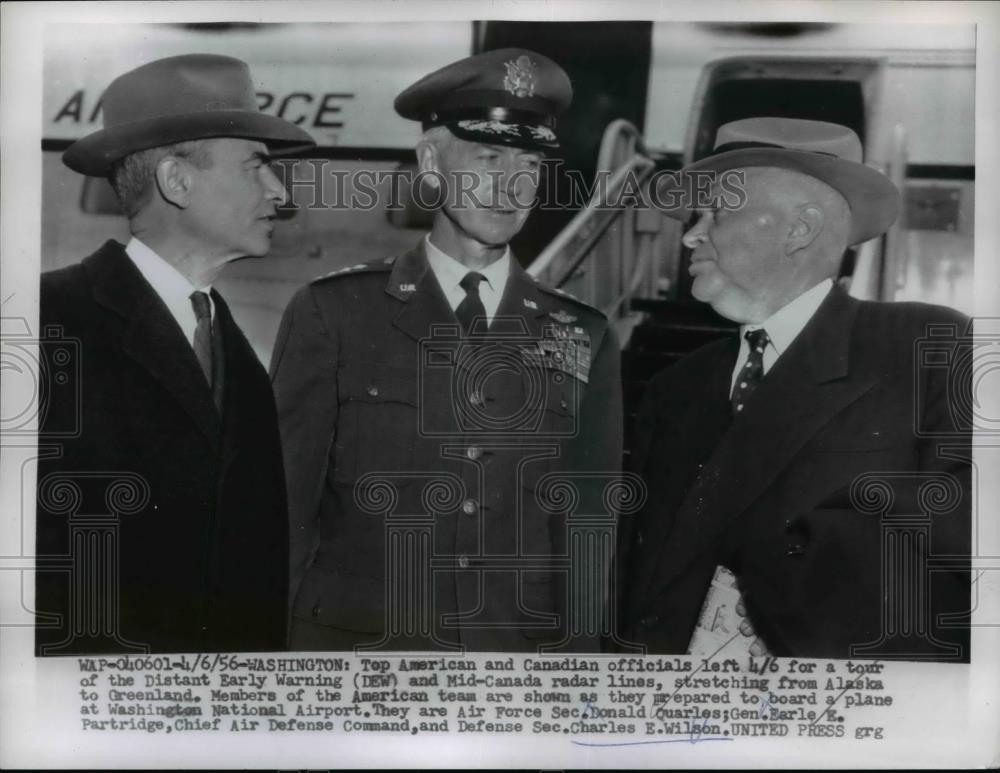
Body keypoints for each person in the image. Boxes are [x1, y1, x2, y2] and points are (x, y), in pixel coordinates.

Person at [271, 48, 623, 652]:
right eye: (489, 158)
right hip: (357, 654)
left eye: (530, 165)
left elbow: (590, 527)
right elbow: (283, 510)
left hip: (510, 658)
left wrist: (576, 674)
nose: (512, 187)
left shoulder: (581, 332)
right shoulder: (334, 313)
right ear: (431, 163)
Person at [621, 117, 971, 661]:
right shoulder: (675, 387)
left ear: (799, 228)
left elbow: (968, 527)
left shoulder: (925, 344)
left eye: (719, 209)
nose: (691, 233)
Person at [35, 54, 315, 655]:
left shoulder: (234, 351)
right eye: (257, 167)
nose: (280, 191)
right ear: (176, 181)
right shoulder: (45, 322)